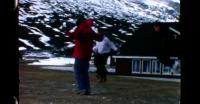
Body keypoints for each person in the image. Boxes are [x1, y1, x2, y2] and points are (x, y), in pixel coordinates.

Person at [65, 17, 103, 95]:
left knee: (78, 72)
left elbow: (74, 36)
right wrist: (101, 34)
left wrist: (67, 32)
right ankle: (87, 89)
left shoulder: (81, 27)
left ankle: (82, 89)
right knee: (85, 72)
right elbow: (99, 38)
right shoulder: (90, 29)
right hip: (87, 54)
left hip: (80, 53)